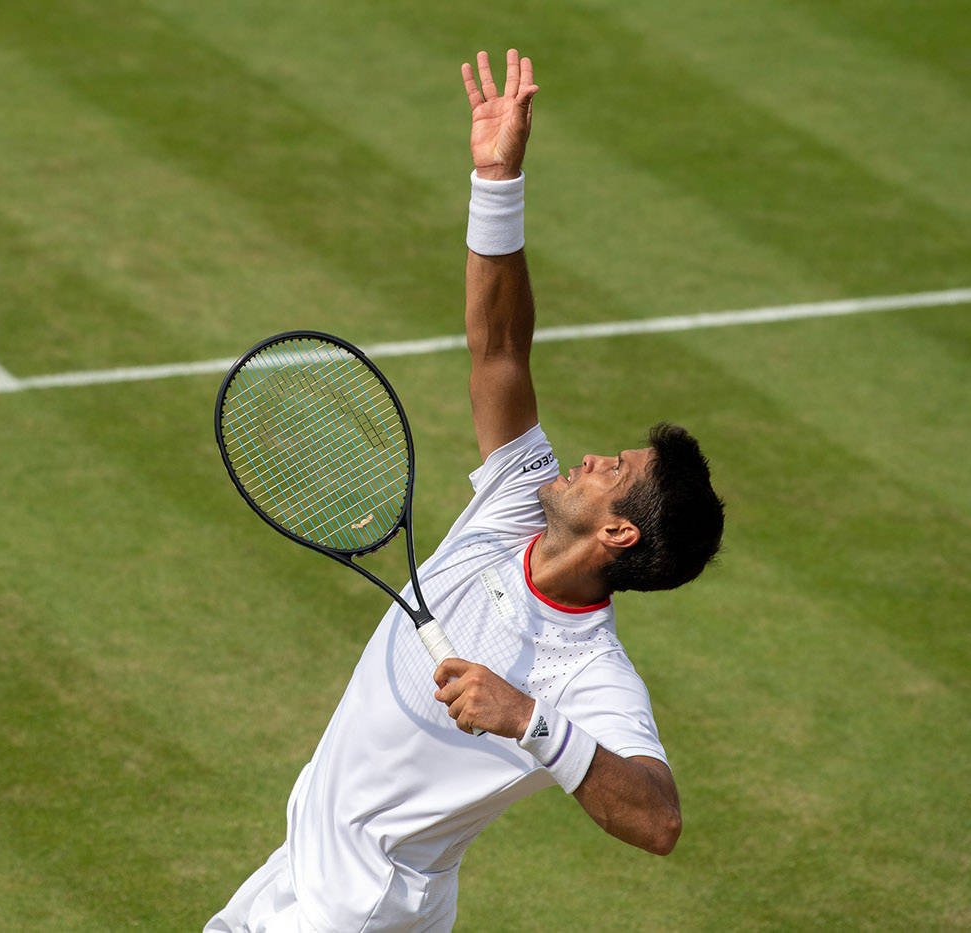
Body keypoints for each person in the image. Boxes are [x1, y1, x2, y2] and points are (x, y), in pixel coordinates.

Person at [206, 48, 725, 932]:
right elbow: (499, 350)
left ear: (619, 535)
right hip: (303, 866)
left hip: (354, 911)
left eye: (619, 472)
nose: (595, 458)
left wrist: (529, 718)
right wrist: (497, 179)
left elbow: (660, 819)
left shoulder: (587, 673)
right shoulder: (514, 499)